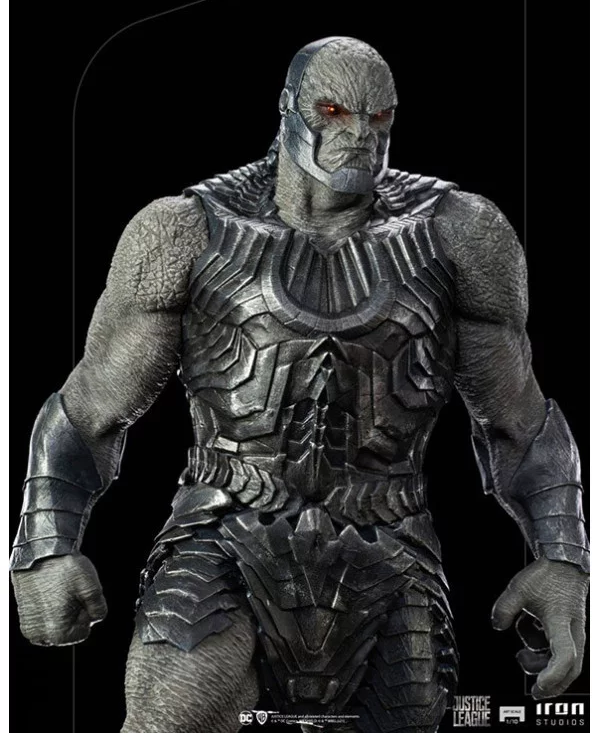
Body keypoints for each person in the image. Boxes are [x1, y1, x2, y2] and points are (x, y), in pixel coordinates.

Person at [10, 37, 589, 733]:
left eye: (379, 117)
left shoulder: (460, 234)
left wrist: (564, 558)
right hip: (225, 532)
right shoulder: (185, 230)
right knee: (171, 716)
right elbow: (91, 409)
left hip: (389, 545)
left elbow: (518, 420)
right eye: (335, 111)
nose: (360, 134)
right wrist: (45, 543)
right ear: (288, 108)